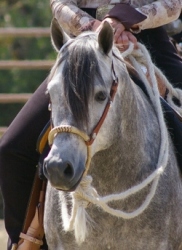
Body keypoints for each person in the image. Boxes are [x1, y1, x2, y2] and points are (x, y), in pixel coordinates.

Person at [0, 0, 182, 249]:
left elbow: (174, 3)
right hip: (81, 45)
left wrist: (122, 21)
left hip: (147, 36)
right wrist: (90, 26)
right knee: (11, 148)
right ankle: (25, 241)